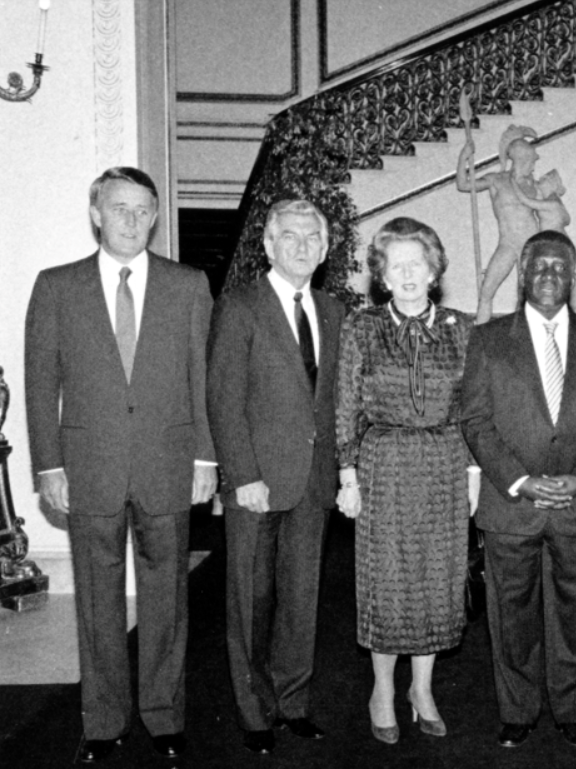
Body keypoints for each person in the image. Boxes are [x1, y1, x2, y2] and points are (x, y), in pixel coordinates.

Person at [24, 167, 216, 763]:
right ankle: (103, 721)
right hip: (89, 467)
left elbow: (201, 381)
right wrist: (49, 466)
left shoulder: (188, 285)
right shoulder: (57, 286)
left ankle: (164, 717)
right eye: (121, 208)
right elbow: (39, 383)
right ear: (97, 214)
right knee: (96, 602)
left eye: (143, 210)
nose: (132, 220)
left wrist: (206, 456)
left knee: (167, 599)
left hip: (167, 463)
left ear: (156, 217)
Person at [460, 230, 576, 750]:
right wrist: (522, 481)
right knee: (512, 616)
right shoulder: (487, 340)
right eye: (540, 266)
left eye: (560, 267)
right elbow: (476, 421)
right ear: (522, 274)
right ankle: (518, 710)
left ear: (573, 278)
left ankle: (573, 710)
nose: (549, 274)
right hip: (511, 504)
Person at [206, 199, 344, 754]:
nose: (303, 245)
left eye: (313, 237)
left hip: (313, 481)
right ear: (268, 244)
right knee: (250, 598)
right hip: (257, 482)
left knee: (301, 598)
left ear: (327, 247)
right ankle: (252, 709)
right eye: (290, 236)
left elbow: (333, 401)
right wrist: (243, 475)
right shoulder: (240, 306)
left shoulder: (332, 309)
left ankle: (293, 702)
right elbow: (223, 397)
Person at [334, 217, 474, 744]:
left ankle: (423, 689)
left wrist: (474, 473)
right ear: (383, 276)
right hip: (384, 464)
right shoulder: (362, 326)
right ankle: (382, 690)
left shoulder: (462, 327)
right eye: (397, 265)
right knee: (387, 582)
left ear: (434, 270)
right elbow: (346, 404)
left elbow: (470, 408)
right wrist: (348, 475)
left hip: (444, 464)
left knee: (437, 582)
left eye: (418, 263)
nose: (409, 273)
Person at [458, 124, 542, 324]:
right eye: (531, 160)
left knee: (526, 296)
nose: (533, 165)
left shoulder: (535, 185)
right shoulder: (497, 180)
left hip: (531, 245)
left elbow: (551, 213)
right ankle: (479, 335)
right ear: (521, 158)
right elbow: (463, 185)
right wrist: (463, 157)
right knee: (487, 290)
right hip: (507, 243)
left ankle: (523, 338)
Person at [513, 169, 570, 233]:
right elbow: (536, 189)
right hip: (552, 238)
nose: (539, 182)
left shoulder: (553, 204)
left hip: (554, 239)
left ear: (549, 184)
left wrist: (513, 182)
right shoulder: (549, 201)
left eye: (542, 180)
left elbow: (526, 200)